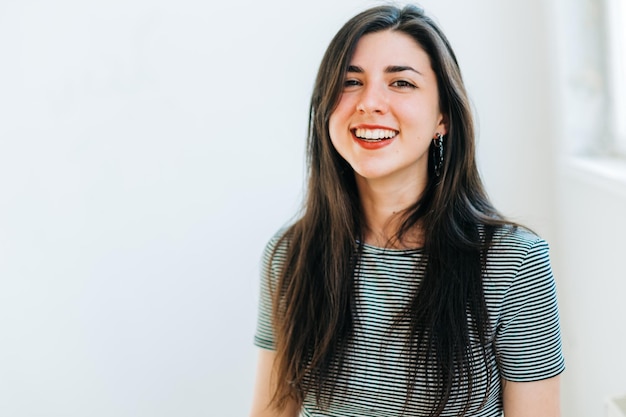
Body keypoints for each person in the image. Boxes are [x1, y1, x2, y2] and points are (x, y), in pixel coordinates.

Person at [249, 4, 565, 417]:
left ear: (443, 117)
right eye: (350, 82)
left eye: (400, 82)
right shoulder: (291, 253)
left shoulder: (512, 261)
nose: (369, 102)